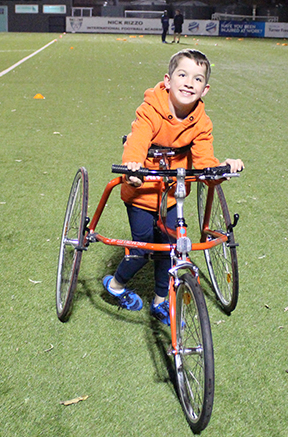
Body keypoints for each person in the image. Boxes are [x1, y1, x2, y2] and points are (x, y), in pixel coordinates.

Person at [103, 49, 244, 325]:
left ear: (205, 89)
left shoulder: (202, 123)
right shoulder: (150, 110)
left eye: (197, 78)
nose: (189, 82)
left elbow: (204, 164)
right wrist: (133, 166)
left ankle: (160, 301)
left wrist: (221, 170)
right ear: (168, 80)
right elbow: (137, 140)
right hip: (141, 193)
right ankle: (116, 284)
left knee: (171, 249)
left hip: (170, 197)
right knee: (142, 249)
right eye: (183, 75)